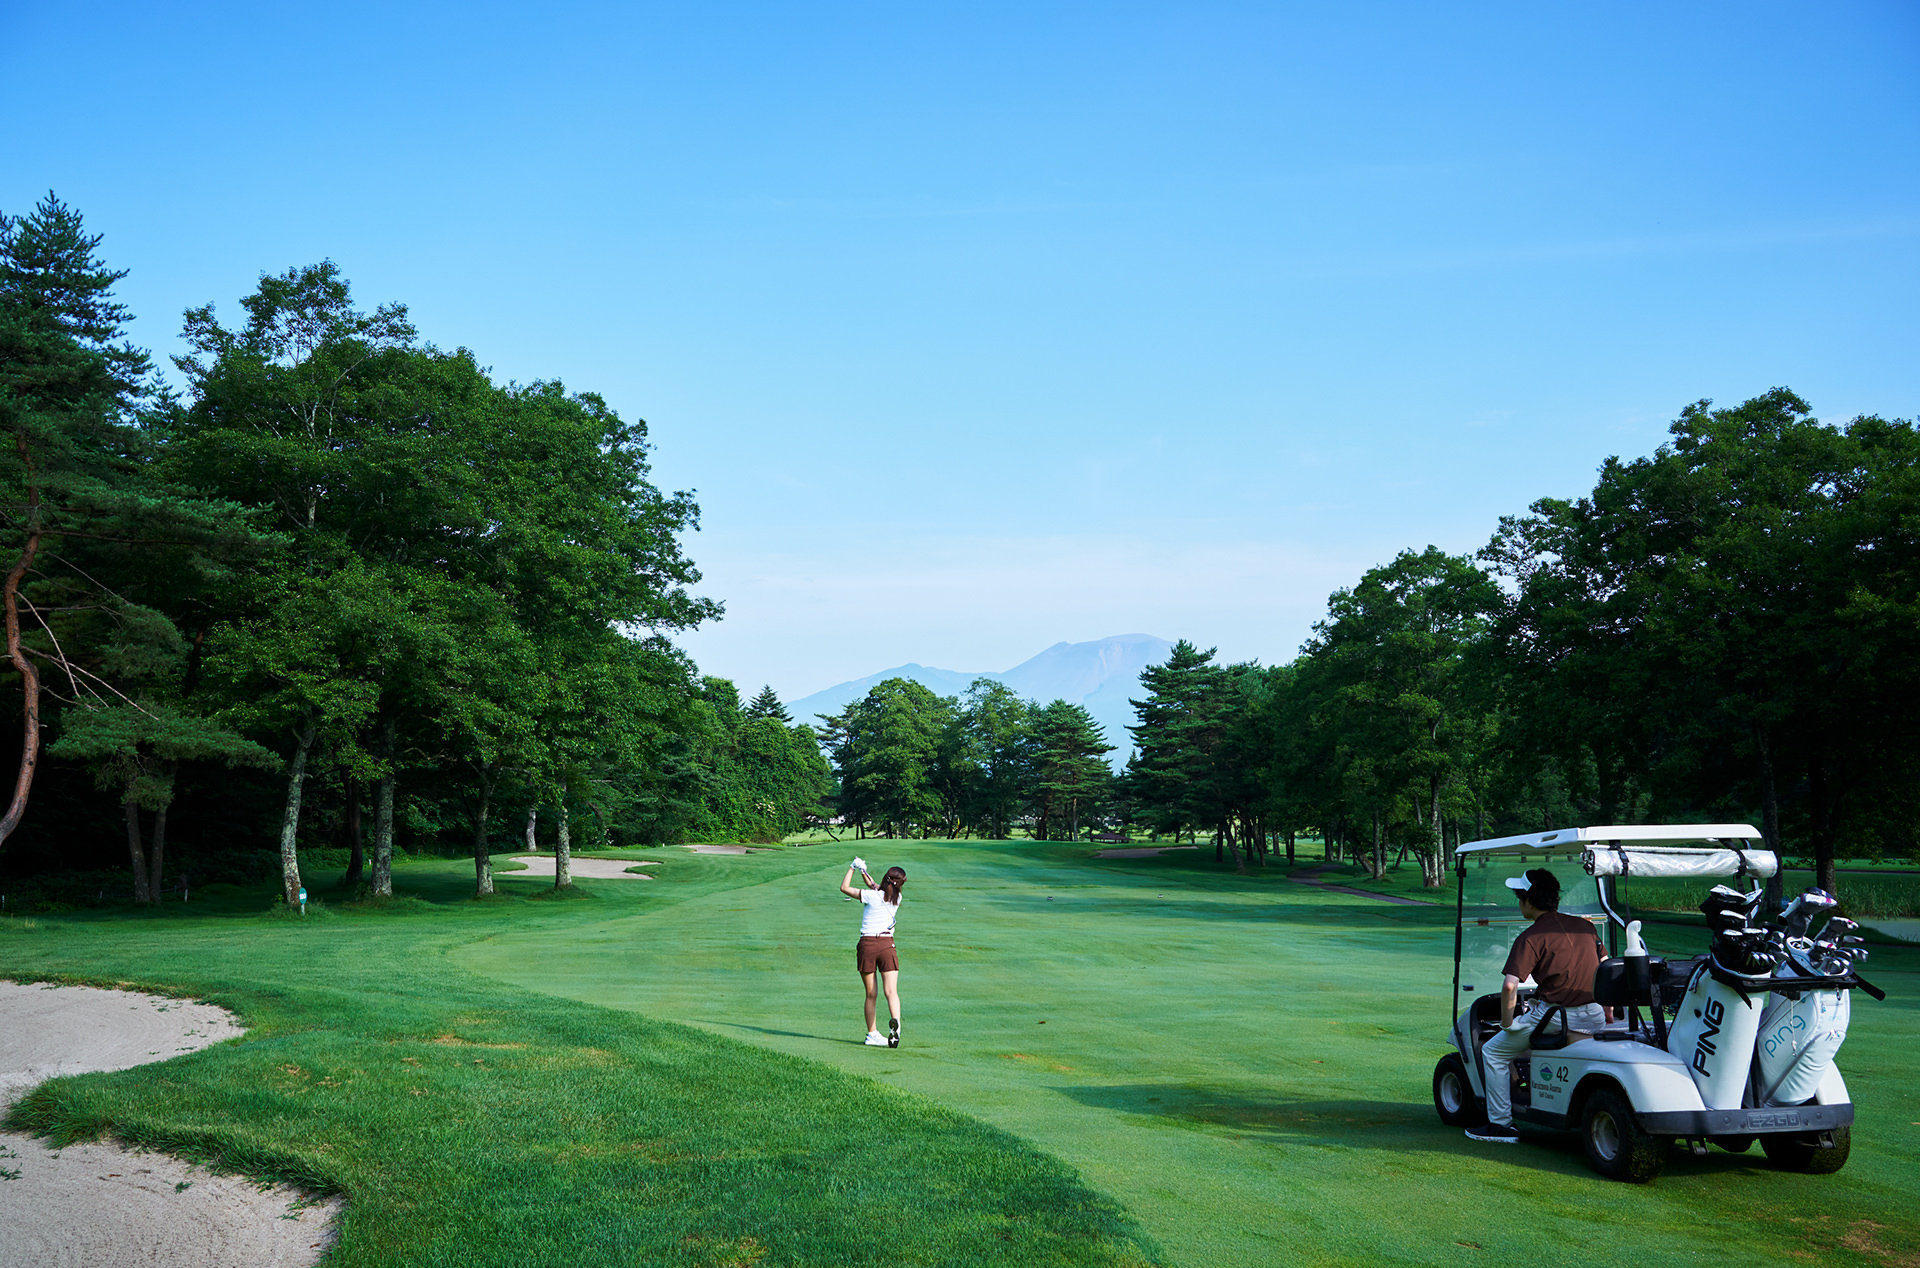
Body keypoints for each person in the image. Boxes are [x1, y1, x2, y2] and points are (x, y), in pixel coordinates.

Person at [1466, 867, 1606, 1144]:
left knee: (1493, 1051)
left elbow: (1510, 987)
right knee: (1528, 1039)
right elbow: (1605, 967)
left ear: (1529, 901)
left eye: (1520, 897)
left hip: (1556, 1017)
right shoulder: (1585, 927)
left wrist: (1507, 1024)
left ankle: (1501, 1125)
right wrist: (1609, 1010)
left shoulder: (1530, 937)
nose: (1519, 903)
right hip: (1595, 1014)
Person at [839, 858, 905, 1048]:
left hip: (867, 945)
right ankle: (897, 1026)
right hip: (887, 945)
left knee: (871, 993)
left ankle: (872, 1034)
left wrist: (852, 867)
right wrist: (864, 871)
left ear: (886, 879)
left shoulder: (871, 896)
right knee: (891, 991)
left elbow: (845, 888)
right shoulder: (897, 898)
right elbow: (875, 885)